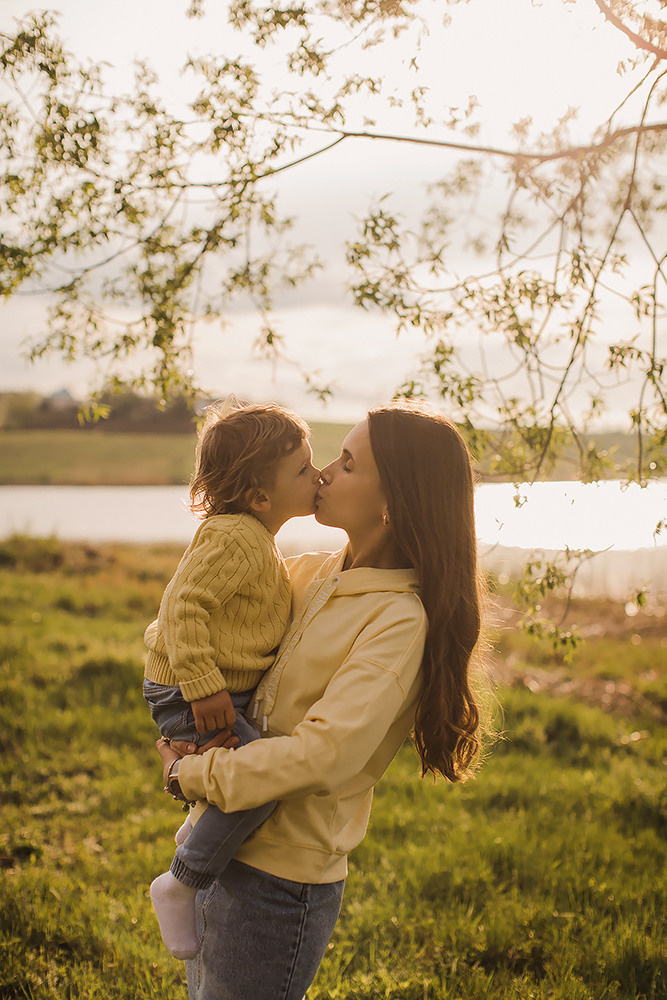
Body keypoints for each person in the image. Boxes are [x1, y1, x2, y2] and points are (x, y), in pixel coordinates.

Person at [156, 399, 486, 1000]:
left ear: (394, 504)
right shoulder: (306, 574)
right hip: (220, 845)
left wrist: (194, 771)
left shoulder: (397, 621)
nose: (326, 473)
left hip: (280, 880)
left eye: (348, 464)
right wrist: (181, 716)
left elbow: (323, 756)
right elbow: (188, 623)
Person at [144, 399, 320, 959]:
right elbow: (182, 605)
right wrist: (203, 685)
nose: (317, 476)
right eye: (303, 469)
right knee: (258, 783)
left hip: (210, 688)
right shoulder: (237, 537)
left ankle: (201, 826)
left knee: (247, 772)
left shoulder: (254, 537)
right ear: (261, 496)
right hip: (191, 691)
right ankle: (181, 881)